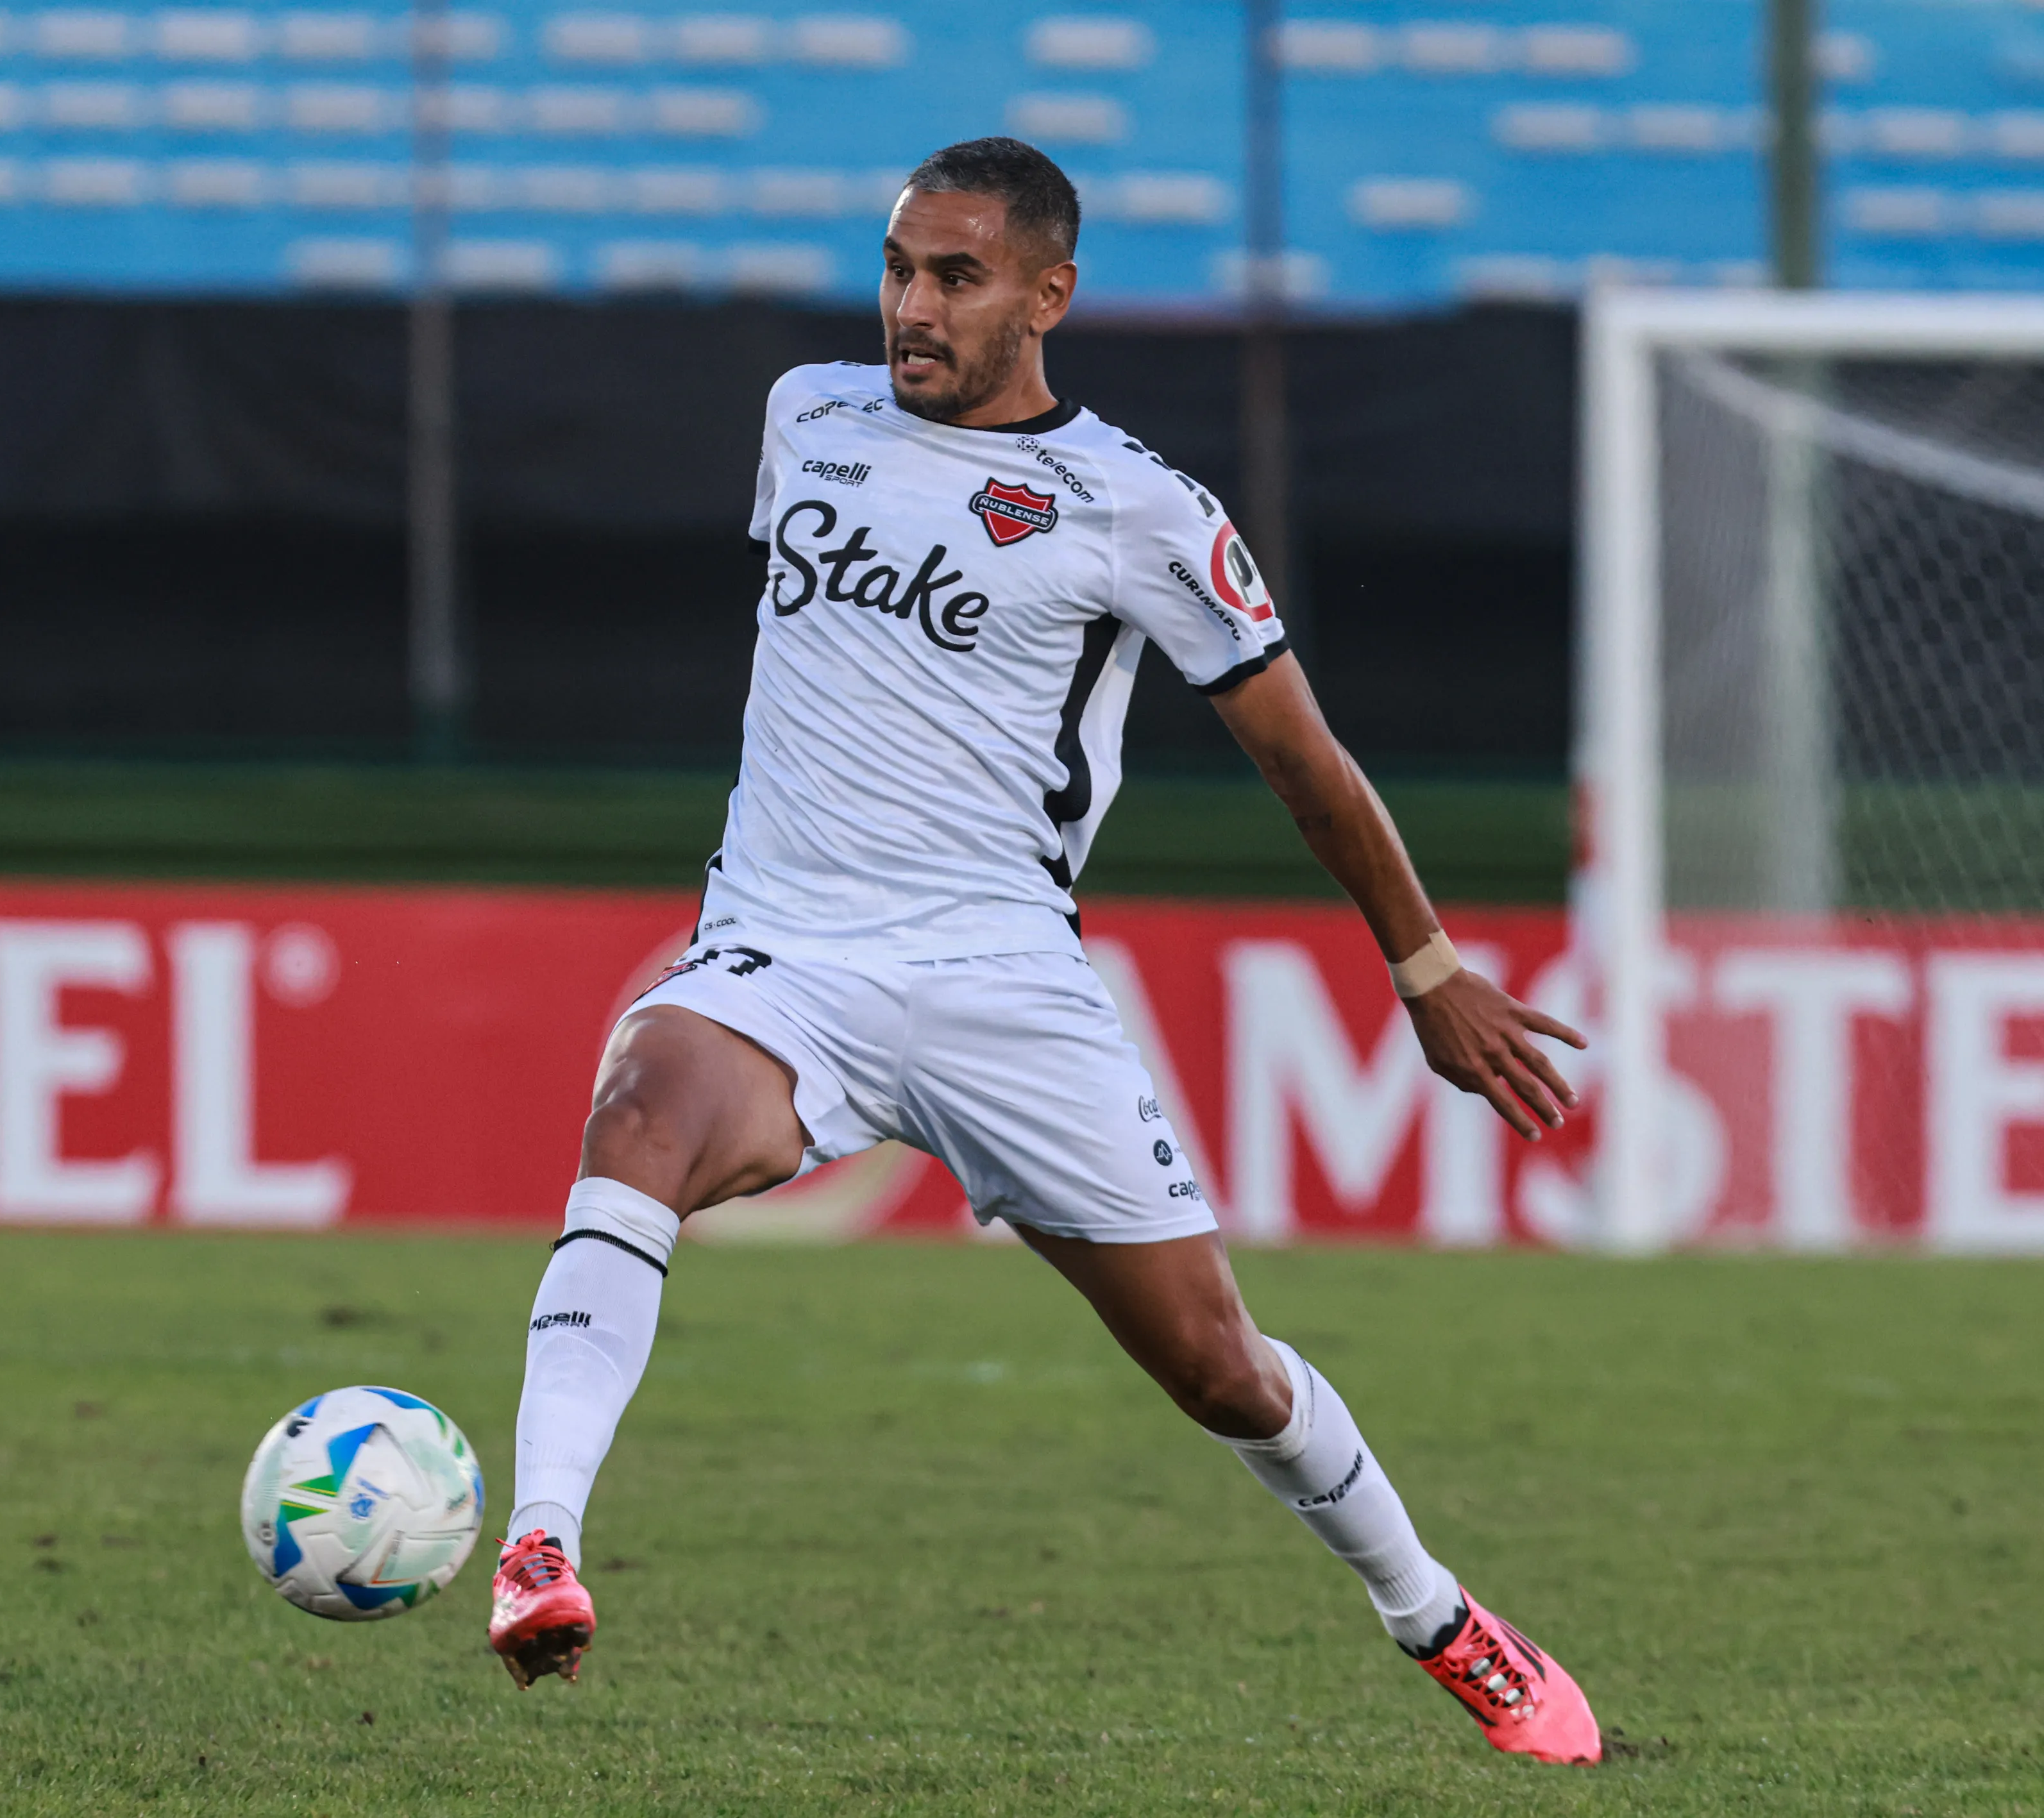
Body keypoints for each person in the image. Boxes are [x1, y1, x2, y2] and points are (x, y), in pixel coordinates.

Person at [485, 139, 1602, 1767]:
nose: (910, 309)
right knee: (635, 1127)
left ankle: (1440, 1616)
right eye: (896, 269)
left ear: (1047, 294)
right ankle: (541, 1545)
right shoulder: (806, 416)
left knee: (1222, 1372)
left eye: (955, 277)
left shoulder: (1143, 510)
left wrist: (1425, 973)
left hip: (1003, 984)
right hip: (781, 948)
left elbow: (1307, 762)